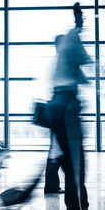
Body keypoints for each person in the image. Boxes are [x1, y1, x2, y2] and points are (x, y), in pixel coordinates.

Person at [48, 2, 91, 210]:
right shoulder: (72, 37)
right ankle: (78, 206)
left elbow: (83, 76)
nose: (84, 22)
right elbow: (90, 66)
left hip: (60, 104)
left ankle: (77, 204)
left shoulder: (63, 54)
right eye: (82, 18)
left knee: (71, 161)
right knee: (76, 162)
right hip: (66, 106)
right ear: (77, 18)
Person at [44, 34, 64, 194]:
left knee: (56, 149)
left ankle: (52, 185)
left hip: (54, 110)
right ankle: (51, 186)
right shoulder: (59, 63)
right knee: (56, 150)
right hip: (59, 111)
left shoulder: (54, 63)